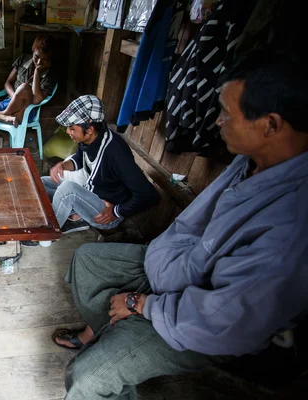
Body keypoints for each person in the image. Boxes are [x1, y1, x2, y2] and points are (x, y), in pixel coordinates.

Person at [52, 51, 308, 400]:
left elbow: (225, 318)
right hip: (170, 266)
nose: (218, 122)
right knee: (87, 260)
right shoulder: (250, 162)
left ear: (270, 125)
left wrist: (140, 305)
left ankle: (112, 348)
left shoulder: (292, 224)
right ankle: (109, 334)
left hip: (196, 320)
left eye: (227, 114)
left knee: (87, 378)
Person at [42, 95, 158, 235]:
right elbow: (80, 159)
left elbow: (148, 195)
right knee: (41, 182)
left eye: (72, 128)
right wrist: (63, 165)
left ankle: (46, 235)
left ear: (89, 129)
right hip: (91, 194)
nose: (68, 131)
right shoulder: (90, 139)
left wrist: (116, 211)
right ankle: (71, 216)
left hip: (105, 213)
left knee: (68, 189)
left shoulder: (116, 152)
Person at [0, 35, 58, 127]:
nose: (39, 62)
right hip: (8, 102)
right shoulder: (23, 59)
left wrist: (37, 72)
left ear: (50, 60)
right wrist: (15, 96)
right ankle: (2, 116)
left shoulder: (51, 75)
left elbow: (37, 100)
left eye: (45, 60)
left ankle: (3, 115)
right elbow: (8, 82)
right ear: (33, 50)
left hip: (25, 111)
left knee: (24, 87)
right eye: (37, 56)